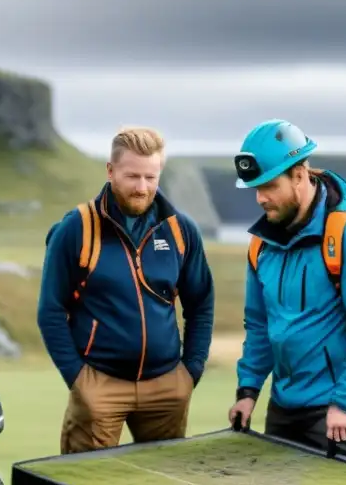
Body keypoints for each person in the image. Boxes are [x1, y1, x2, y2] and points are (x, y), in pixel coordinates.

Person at [226, 119, 346, 464]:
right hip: (283, 407)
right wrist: (248, 391)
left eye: (268, 185)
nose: (260, 197)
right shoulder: (261, 245)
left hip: (338, 413)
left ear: (299, 174)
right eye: (254, 187)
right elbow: (260, 326)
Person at [38, 126, 215, 455]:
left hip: (167, 385)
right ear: (110, 171)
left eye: (151, 177)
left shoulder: (181, 230)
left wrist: (190, 372)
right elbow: (50, 311)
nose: (142, 188)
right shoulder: (76, 229)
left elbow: (201, 303)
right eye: (133, 176)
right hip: (99, 384)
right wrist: (79, 380)